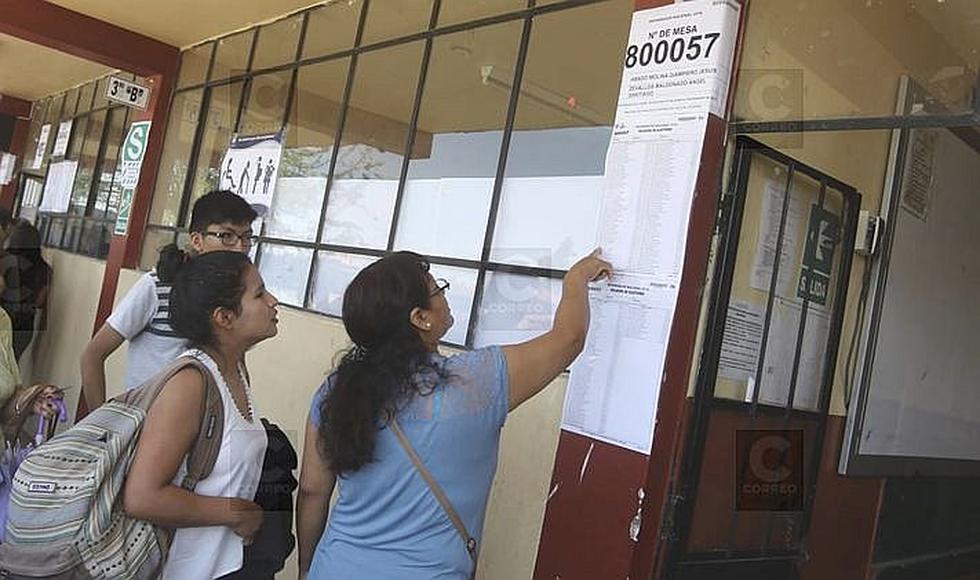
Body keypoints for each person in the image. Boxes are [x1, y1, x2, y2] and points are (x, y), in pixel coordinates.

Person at [296, 250, 612, 579]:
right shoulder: (477, 382)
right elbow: (568, 338)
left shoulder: (336, 391)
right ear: (420, 318)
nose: (445, 297)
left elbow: (312, 490)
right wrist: (576, 278)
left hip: (334, 567)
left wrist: (307, 567)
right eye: (438, 290)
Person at [122, 251, 279, 579]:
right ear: (224, 317)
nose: (273, 301)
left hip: (222, 566)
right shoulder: (190, 383)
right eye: (259, 293)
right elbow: (142, 497)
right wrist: (237, 513)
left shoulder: (234, 369)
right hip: (181, 569)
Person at [80, 190, 257, 409]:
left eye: (247, 237)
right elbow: (92, 356)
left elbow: (237, 368)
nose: (240, 248)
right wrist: (102, 430)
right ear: (197, 240)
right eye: (227, 236)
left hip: (203, 432)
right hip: (146, 427)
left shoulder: (234, 297)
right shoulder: (156, 287)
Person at [1, 221, 51, 360]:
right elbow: (40, 301)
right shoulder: (44, 269)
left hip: (3, 320)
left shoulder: (5, 261)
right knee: (11, 370)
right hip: (24, 326)